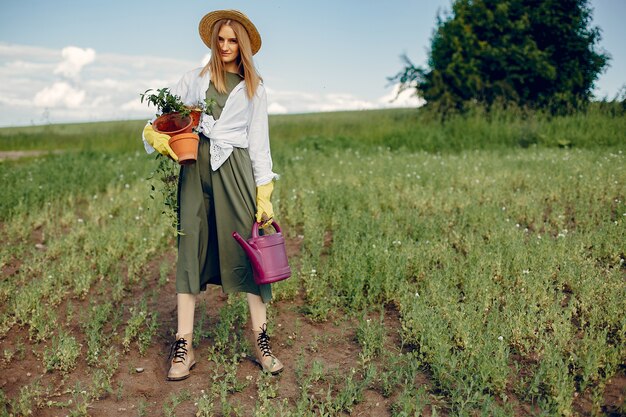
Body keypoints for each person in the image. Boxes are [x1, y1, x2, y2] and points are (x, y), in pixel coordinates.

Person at [141, 9, 283, 380]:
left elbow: (259, 145)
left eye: (232, 40)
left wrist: (263, 194)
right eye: (220, 39)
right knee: (190, 247)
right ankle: (183, 347)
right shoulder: (193, 80)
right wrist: (156, 135)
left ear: (243, 45)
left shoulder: (255, 89)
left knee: (248, 253)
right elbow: (164, 115)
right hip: (194, 170)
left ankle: (262, 341)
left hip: (235, 172)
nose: (225, 46)